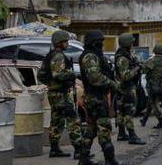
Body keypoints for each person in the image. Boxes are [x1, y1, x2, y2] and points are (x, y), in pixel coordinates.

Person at [79, 30, 120, 165]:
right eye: (100, 42)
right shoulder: (90, 57)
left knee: (91, 130)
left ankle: (83, 159)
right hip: (95, 98)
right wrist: (112, 84)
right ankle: (110, 160)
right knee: (104, 128)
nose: (102, 45)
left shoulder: (95, 56)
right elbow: (95, 78)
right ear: (94, 42)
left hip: (96, 97)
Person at [44, 30, 83, 159]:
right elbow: (58, 74)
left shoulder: (50, 55)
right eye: (65, 41)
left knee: (57, 121)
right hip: (61, 94)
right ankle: (79, 150)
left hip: (54, 93)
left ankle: (54, 149)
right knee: (73, 120)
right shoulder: (59, 56)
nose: (67, 43)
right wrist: (72, 74)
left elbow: (41, 75)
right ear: (59, 42)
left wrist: (51, 83)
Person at [114, 33, 146, 145]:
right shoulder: (122, 57)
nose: (132, 44)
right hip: (126, 88)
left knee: (122, 112)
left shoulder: (126, 55)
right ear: (127, 43)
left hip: (124, 88)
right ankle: (132, 136)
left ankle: (122, 133)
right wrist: (136, 69)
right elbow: (125, 76)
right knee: (129, 112)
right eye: (131, 42)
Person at [141, 43, 162, 129]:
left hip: (152, 85)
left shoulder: (151, 61)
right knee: (151, 102)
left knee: (153, 103)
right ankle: (144, 119)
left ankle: (161, 121)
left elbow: (144, 71)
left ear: (155, 51)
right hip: (160, 85)